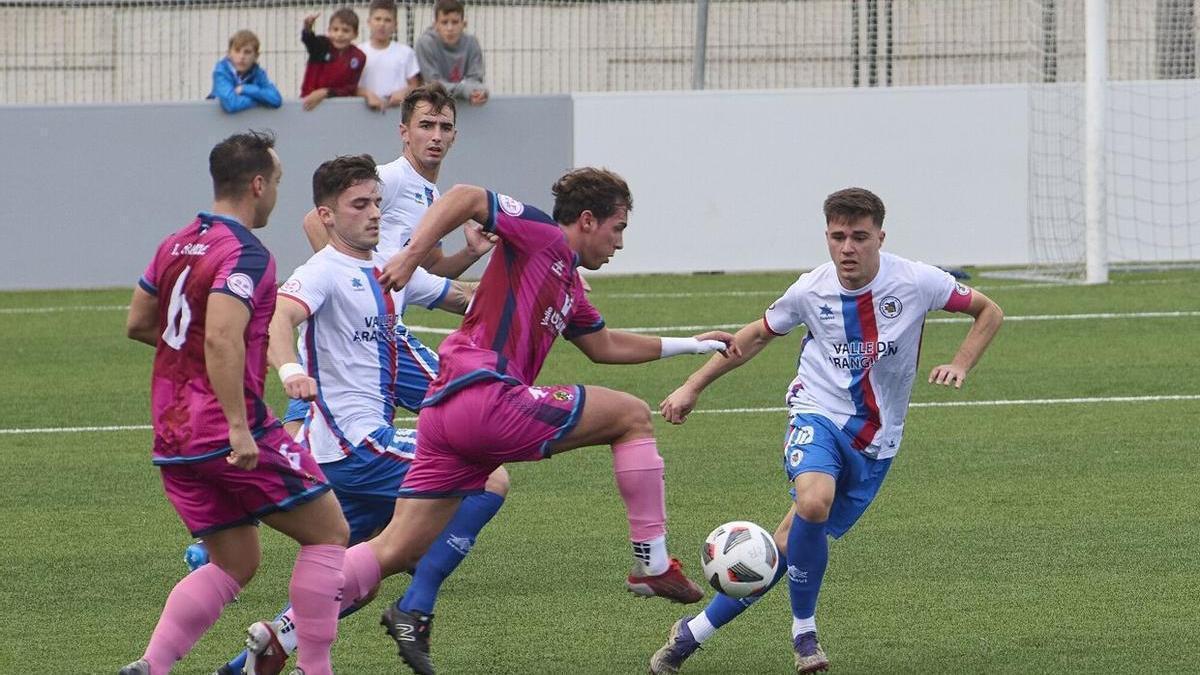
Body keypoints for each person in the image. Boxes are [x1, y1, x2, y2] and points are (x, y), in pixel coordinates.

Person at [337, 168, 738, 675]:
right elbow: (463, 197)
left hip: (446, 414)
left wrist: (692, 345)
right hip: (482, 395)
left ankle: (277, 636)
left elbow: (603, 345)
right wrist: (412, 255)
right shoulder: (542, 235)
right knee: (633, 416)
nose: (618, 243)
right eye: (617, 229)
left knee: (395, 547)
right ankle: (652, 564)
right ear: (588, 220)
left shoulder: (569, 281)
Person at [647, 187, 1004, 675]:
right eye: (838, 237)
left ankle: (693, 634)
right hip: (815, 412)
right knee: (813, 500)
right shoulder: (810, 290)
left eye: (859, 237)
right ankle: (804, 633)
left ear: (880, 236)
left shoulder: (918, 281)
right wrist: (692, 385)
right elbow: (753, 337)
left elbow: (989, 310)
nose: (847, 248)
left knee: (791, 546)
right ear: (827, 237)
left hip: (877, 439)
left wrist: (961, 363)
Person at [217, 155, 507, 675]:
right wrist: (287, 370)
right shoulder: (322, 272)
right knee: (487, 477)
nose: (375, 213)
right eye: (359, 204)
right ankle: (415, 607)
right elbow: (279, 318)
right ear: (326, 216)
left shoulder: (387, 267)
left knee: (360, 573)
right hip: (354, 447)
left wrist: (541, 286)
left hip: (351, 453)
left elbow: (464, 298)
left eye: (377, 201)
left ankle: (258, 653)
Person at [119, 131, 349, 675]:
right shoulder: (245, 252)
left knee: (235, 561)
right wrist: (239, 427)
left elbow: (139, 323)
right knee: (331, 533)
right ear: (258, 183)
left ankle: (151, 665)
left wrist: (194, 365)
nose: (276, 196)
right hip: (226, 430)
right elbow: (223, 337)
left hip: (173, 436)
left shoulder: (176, 242)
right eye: (278, 183)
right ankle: (316, 669)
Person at [415, 0, 488, 106]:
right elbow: (433, 84)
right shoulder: (425, 43)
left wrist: (478, 94)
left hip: (466, 104)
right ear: (435, 25)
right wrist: (465, 90)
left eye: (455, 22)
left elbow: (476, 78)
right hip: (433, 106)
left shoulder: (472, 43)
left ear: (464, 24)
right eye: (444, 22)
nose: (450, 28)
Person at [357, 0, 421, 113]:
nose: (382, 24)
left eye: (387, 20)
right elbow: (349, 86)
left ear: (395, 25)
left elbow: (415, 85)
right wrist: (367, 94)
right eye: (378, 19)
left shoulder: (406, 52)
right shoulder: (358, 52)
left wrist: (404, 92)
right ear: (369, 22)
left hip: (398, 113)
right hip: (364, 113)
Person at [300, 8, 366, 111]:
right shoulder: (321, 45)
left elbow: (350, 88)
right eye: (335, 29)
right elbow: (309, 40)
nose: (339, 34)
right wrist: (308, 28)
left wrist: (326, 92)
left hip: (338, 107)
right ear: (329, 30)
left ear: (355, 34)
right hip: (309, 103)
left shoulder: (358, 57)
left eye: (346, 30)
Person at [209, 30, 283, 114]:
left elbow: (276, 99)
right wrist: (261, 100)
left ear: (256, 56)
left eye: (247, 52)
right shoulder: (221, 72)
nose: (241, 57)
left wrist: (245, 89)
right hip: (216, 124)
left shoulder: (258, 73)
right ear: (229, 54)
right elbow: (231, 104)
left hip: (247, 125)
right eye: (237, 51)